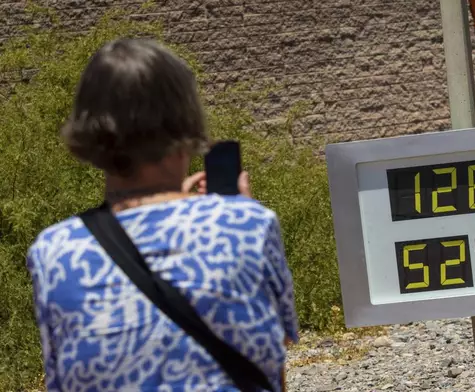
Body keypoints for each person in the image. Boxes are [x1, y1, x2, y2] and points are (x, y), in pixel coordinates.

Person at [26, 38, 298, 391]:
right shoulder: (246, 224)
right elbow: (275, 345)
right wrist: (234, 212)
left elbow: (61, 377)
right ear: (185, 120)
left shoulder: (54, 251)